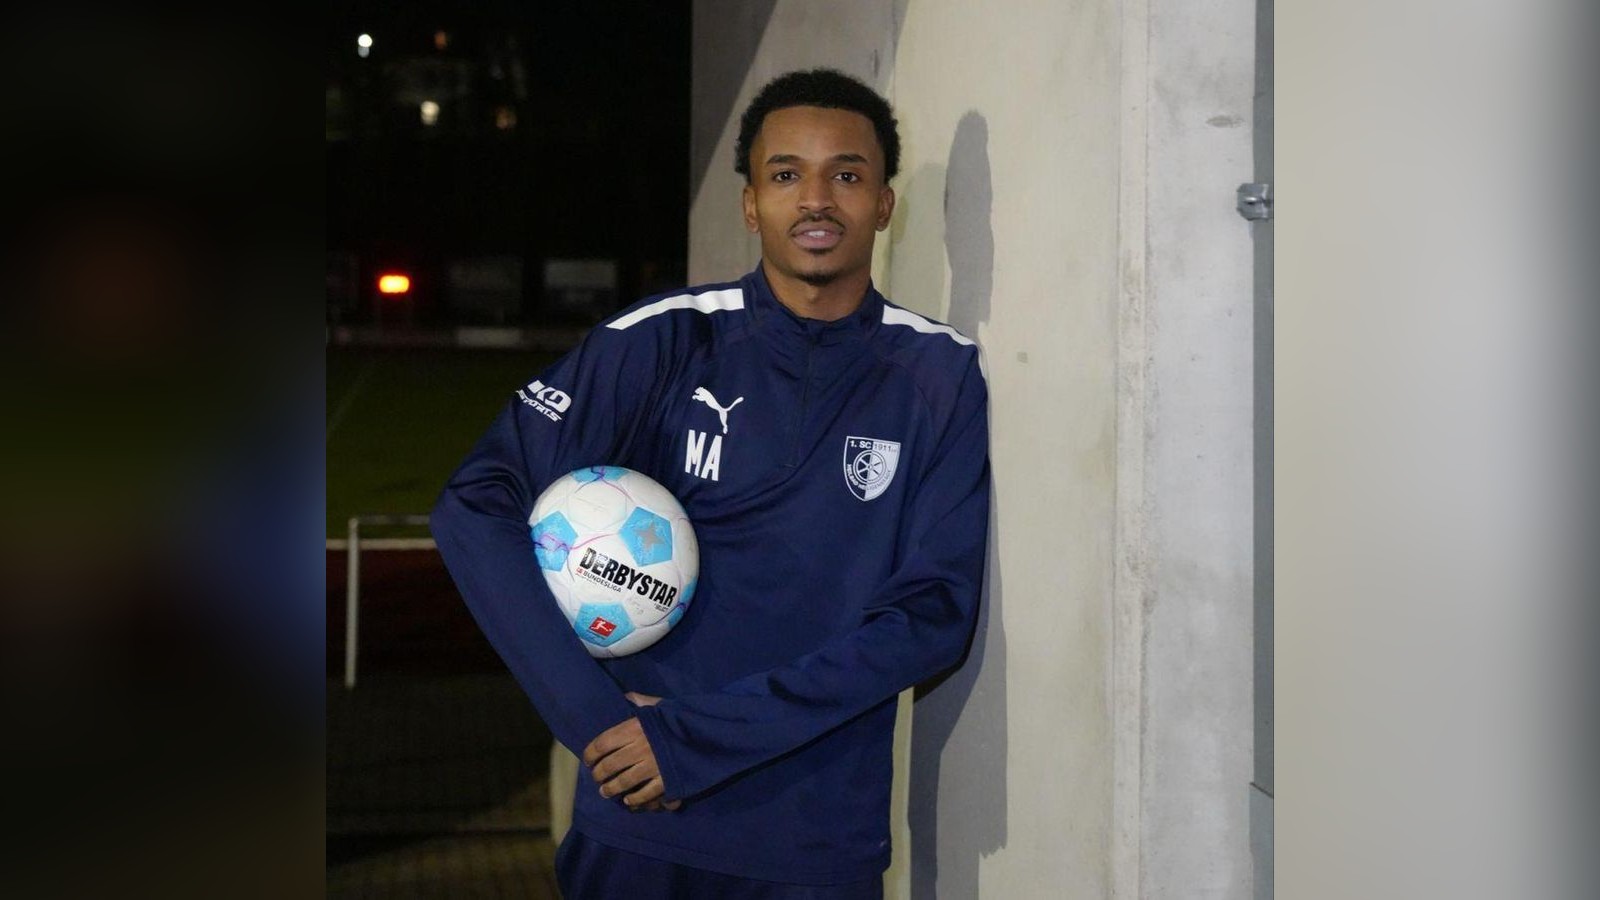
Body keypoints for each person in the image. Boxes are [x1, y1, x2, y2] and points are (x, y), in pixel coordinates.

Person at [431, 68, 990, 898]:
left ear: (883, 204)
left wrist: (697, 739)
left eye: (846, 175)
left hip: (816, 841)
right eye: (786, 174)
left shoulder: (939, 374)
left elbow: (930, 616)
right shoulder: (663, 341)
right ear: (750, 204)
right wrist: (594, 721)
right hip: (641, 824)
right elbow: (476, 503)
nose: (816, 199)